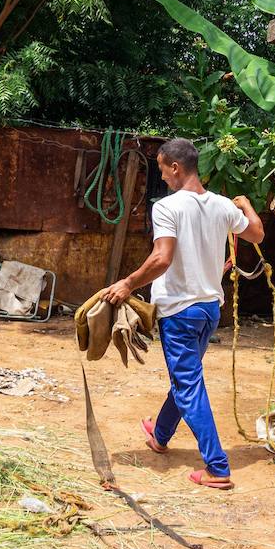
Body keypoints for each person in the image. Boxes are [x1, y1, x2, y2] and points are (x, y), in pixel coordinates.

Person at [103, 137, 265, 490]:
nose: (162, 177)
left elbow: (162, 258)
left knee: (188, 385)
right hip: (208, 310)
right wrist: (247, 205)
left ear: (175, 167)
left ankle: (217, 467)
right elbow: (256, 232)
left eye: (162, 169)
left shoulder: (166, 207)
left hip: (179, 312)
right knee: (185, 378)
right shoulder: (223, 206)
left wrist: (128, 283)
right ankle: (160, 434)